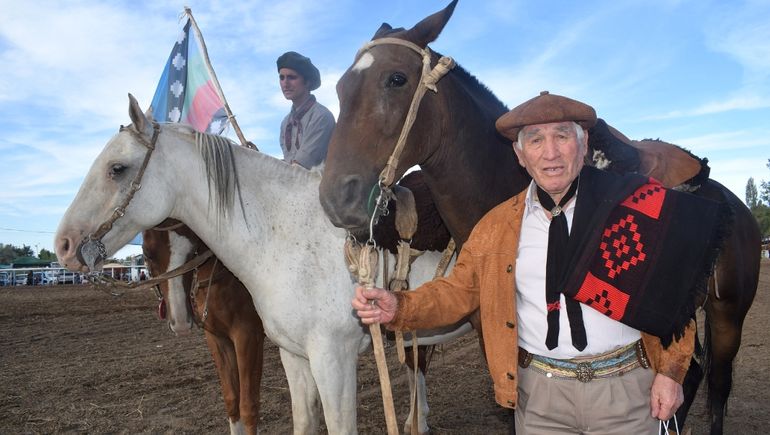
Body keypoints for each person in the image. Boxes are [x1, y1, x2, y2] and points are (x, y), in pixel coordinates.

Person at [353, 91, 710, 434]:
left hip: (627, 391)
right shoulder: (496, 227)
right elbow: (459, 291)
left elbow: (675, 296)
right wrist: (400, 306)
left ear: (583, 144)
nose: (550, 152)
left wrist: (672, 371)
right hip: (540, 397)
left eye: (562, 136)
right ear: (520, 154)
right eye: (535, 140)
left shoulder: (630, 209)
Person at [276, 51, 335, 169]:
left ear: (307, 82)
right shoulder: (285, 123)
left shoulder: (322, 116)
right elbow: (289, 165)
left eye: (292, 77)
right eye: (282, 78)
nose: (285, 83)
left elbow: (301, 167)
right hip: (292, 183)